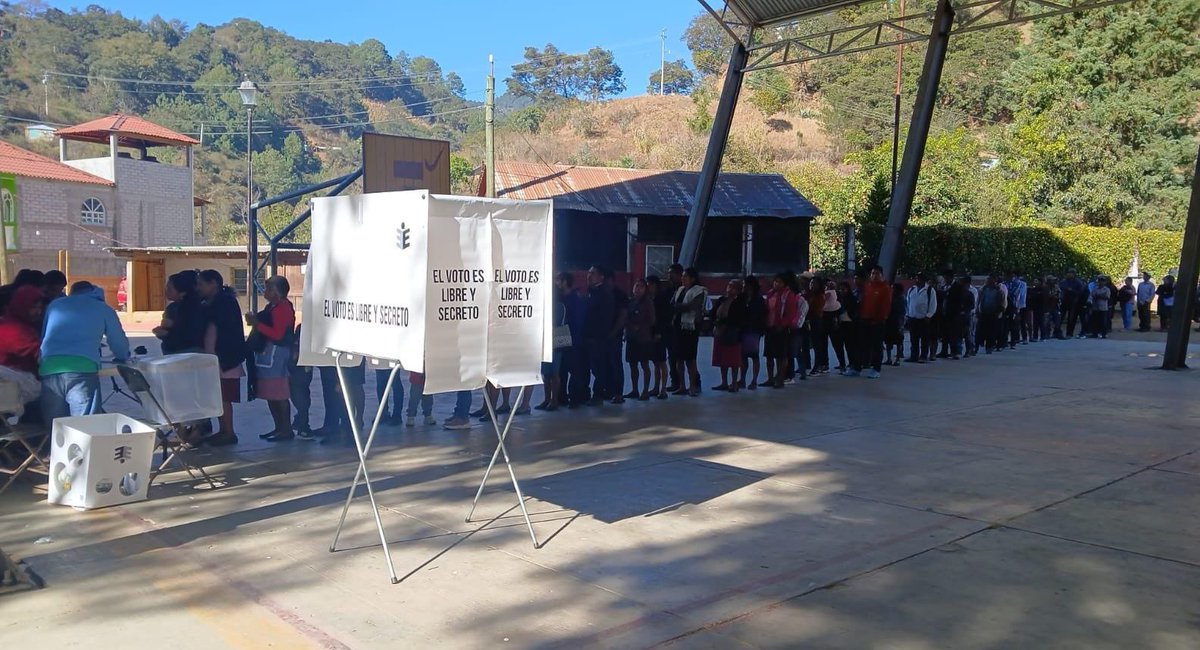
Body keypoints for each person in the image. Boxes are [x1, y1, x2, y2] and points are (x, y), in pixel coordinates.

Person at [40, 281, 129, 422]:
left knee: (56, 428)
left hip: (49, 368)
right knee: (85, 426)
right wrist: (124, 356)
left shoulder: (55, 305)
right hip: (82, 368)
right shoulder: (103, 308)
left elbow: (44, 335)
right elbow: (118, 342)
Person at [247, 276, 297, 441]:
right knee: (270, 394)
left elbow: (278, 334)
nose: (265, 292)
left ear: (278, 292)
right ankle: (278, 427)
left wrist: (257, 324)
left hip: (278, 356)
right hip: (267, 355)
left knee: (279, 394)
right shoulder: (272, 307)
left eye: (269, 289)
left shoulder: (283, 308)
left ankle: (286, 429)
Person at [198, 270, 245, 446]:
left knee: (224, 397)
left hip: (225, 358)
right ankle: (223, 430)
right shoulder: (213, 302)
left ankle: (229, 431)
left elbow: (219, 330)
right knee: (218, 397)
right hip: (217, 358)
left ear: (214, 284)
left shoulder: (223, 303)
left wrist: (215, 356)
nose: (199, 288)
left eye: (202, 284)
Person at [0, 285, 44, 419]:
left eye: (39, 308)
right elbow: (41, 357)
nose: (38, 312)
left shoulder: (7, 324)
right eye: (33, 307)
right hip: (18, 389)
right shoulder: (19, 332)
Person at [538, 274, 571, 412]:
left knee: (553, 372)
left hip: (554, 341)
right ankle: (548, 399)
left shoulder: (559, 306)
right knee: (547, 373)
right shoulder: (555, 305)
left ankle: (554, 399)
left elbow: (556, 322)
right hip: (550, 341)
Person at [671, 268, 707, 396]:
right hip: (678, 326)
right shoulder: (680, 290)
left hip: (690, 327)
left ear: (693, 278)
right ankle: (682, 386)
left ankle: (693, 385)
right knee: (678, 358)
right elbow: (672, 304)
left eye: (686, 276)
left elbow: (691, 306)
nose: (683, 278)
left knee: (690, 359)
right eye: (683, 276)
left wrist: (676, 307)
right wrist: (676, 307)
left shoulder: (699, 291)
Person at [583, 266, 615, 406]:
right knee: (593, 366)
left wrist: (599, 335)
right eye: (588, 273)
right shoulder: (592, 291)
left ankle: (599, 394)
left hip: (598, 337)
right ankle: (593, 393)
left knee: (599, 367)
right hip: (590, 336)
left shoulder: (603, 293)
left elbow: (603, 317)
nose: (589, 276)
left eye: (593, 274)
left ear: (601, 276)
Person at [154, 271, 206, 354]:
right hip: (171, 351)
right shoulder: (171, 308)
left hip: (188, 352)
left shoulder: (195, 308)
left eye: (170, 289)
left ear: (182, 292)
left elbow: (193, 333)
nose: (166, 291)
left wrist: (170, 330)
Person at [855, 266, 892, 379]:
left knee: (877, 346)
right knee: (861, 345)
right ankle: (857, 367)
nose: (874, 276)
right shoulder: (868, 286)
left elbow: (885, 306)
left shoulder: (885, 288)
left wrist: (879, 319)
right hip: (864, 319)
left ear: (882, 275)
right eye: (872, 273)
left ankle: (876, 368)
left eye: (876, 273)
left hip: (877, 321)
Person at [624, 278, 656, 400]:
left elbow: (652, 320)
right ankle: (634, 389)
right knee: (632, 364)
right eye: (636, 286)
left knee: (644, 364)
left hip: (643, 337)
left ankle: (645, 390)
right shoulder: (630, 301)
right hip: (631, 336)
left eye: (641, 286)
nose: (638, 289)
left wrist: (640, 326)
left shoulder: (647, 302)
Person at [711, 279, 746, 392]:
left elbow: (738, 318)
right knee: (723, 359)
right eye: (729, 286)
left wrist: (726, 324)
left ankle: (734, 382)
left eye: (733, 287)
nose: (730, 289)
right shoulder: (722, 299)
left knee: (733, 360)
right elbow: (713, 313)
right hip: (720, 331)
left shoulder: (740, 302)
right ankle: (724, 382)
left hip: (733, 332)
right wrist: (715, 323)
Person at [764, 273, 797, 389]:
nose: (776, 284)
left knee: (781, 355)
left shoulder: (789, 295)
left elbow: (790, 313)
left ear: (785, 283)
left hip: (781, 328)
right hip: (770, 327)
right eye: (775, 281)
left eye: (779, 282)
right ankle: (770, 378)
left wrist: (783, 325)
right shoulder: (770, 294)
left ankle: (780, 377)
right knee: (769, 355)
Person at [739, 275, 767, 390]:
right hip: (744, 330)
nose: (743, 286)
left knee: (754, 356)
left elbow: (760, 316)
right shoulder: (742, 297)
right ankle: (743, 379)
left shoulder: (758, 299)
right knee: (743, 356)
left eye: (744, 284)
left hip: (754, 330)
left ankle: (754, 380)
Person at [645, 276, 671, 400]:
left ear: (655, 285)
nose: (648, 287)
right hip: (651, 332)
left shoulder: (662, 299)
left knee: (661, 361)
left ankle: (663, 388)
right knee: (655, 362)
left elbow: (664, 318)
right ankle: (656, 387)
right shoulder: (650, 298)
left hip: (660, 333)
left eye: (650, 284)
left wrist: (659, 332)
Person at [662, 264, 684, 392]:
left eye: (672, 273)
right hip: (670, 328)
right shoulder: (669, 290)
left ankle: (692, 381)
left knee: (684, 357)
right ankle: (675, 381)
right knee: (672, 356)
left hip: (681, 327)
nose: (669, 276)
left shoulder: (684, 290)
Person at [905, 273, 937, 362]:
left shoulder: (930, 290)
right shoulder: (911, 290)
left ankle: (923, 356)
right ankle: (914, 356)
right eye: (915, 279)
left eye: (918, 279)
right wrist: (908, 314)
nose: (916, 280)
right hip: (913, 317)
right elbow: (908, 303)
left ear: (923, 280)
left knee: (924, 339)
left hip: (924, 318)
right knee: (913, 339)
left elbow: (933, 305)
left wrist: (928, 316)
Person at [977, 275, 1006, 353]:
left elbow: (1002, 303)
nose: (989, 282)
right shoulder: (984, 290)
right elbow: (980, 301)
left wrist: (999, 312)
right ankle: (982, 344)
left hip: (994, 314)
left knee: (992, 332)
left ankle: (990, 346)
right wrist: (978, 310)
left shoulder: (999, 291)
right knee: (983, 331)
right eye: (988, 280)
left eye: (990, 280)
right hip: (984, 313)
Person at [807, 278, 829, 375]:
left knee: (817, 345)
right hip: (810, 320)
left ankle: (818, 365)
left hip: (816, 321)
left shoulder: (820, 296)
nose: (812, 285)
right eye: (811, 283)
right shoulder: (809, 294)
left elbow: (816, 310)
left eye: (814, 283)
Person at [1060, 269, 1087, 338]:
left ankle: (1069, 333)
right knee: (1061, 317)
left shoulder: (1078, 282)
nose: (1068, 274)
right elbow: (1061, 288)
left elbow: (1081, 292)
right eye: (1068, 273)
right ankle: (1057, 332)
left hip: (1073, 302)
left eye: (1070, 273)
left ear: (1074, 274)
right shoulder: (1064, 281)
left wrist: (1071, 291)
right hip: (1064, 301)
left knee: (1071, 318)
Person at [885, 281, 906, 365]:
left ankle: (897, 358)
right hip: (889, 321)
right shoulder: (889, 297)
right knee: (888, 341)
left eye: (894, 288)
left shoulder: (901, 299)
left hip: (897, 321)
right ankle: (889, 358)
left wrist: (901, 324)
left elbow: (902, 312)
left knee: (898, 341)